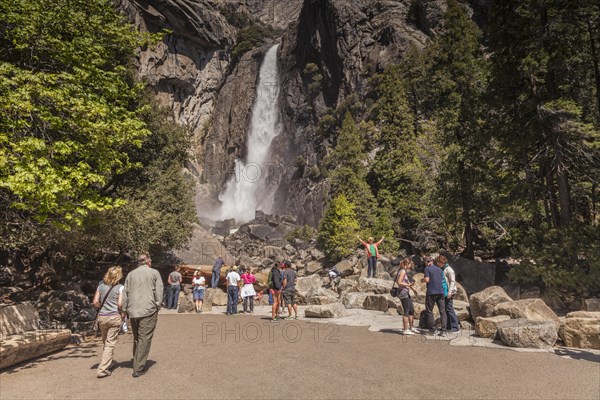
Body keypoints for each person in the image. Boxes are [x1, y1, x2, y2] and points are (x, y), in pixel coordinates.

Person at [123, 254, 163, 377]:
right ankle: (139, 367)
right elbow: (159, 290)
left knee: (137, 337)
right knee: (144, 338)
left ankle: (136, 360)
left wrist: (125, 309)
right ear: (148, 261)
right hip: (148, 309)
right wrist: (158, 305)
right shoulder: (154, 273)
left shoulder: (131, 274)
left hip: (133, 310)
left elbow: (126, 292)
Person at [93, 266, 125, 378]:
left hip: (102, 317)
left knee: (106, 342)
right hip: (114, 316)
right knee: (110, 344)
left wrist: (102, 306)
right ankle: (102, 369)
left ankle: (108, 362)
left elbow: (95, 301)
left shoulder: (100, 286)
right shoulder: (121, 287)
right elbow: (120, 304)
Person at [421, 256, 447, 335]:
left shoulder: (427, 269)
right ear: (432, 261)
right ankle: (443, 329)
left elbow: (427, 279)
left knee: (429, 310)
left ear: (426, 262)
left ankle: (432, 329)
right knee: (442, 311)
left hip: (432, 292)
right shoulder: (439, 269)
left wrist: (422, 280)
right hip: (441, 292)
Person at [395, 258, 418, 335]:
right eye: (410, 264)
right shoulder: (402, 271)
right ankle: (405, 329)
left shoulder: (404, 271)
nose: (411, 266)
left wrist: (412, 288)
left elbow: (406, 282)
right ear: (407, 264)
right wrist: (408, 285)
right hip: (403, 292)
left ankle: (411, 327)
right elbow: (399, 282)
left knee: (411, 309)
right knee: (407, 310)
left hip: (406, 291)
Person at [438, 255, 460, 332]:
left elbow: (452, 281)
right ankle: (448, 325)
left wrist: (449, 292)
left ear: (442, 262)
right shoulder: (443, 269)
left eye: (439, 262)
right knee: (446, 309)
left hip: (450, 291)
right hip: (445, 291)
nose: (437, 263)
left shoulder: (449, 270)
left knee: (449, 309)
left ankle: (455, 326)